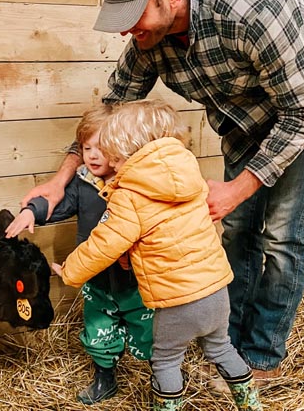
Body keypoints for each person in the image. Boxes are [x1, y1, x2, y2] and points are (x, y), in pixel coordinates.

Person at [22, 0, 304, 385]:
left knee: (282, 234)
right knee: (238, 229)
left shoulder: (257, 13)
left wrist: (238, 188)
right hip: (243, 119)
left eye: (133, 16)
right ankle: (227, 340)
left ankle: (261, 354)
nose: (126, 31)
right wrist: (62, 178)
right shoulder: (152, 37)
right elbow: (112, 107)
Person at [53, 99, 263, 411]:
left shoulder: (130, 194)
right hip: (216, 291)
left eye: (113, 154)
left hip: (176, 300)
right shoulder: (189, 172)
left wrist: (70, 271)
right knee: (221, 348)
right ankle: (251, 405)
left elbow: (104, 244)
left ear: (124, 151)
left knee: (166, 361)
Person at [6, 104, 154, 405]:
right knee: (98, 325)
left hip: (138, 277)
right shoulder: (83, 183)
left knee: (148, 327)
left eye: (103, 148)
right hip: (96, 274)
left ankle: (162, 377)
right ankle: (105, 377)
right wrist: (31, 212)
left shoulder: (137, 184)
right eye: (87, 148)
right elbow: (57, 203)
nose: (94, 155)